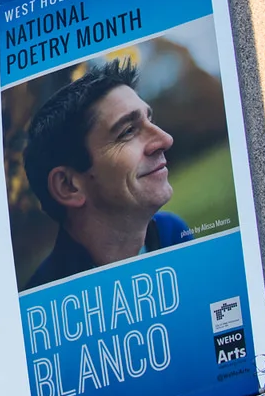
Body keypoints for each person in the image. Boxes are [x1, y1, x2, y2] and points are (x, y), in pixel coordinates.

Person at [21, 59, 192, 290]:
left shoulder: (173, 233)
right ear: (68, 186)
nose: (165, 140)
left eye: (149, 120)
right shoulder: (46, 295)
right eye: (128, 131)